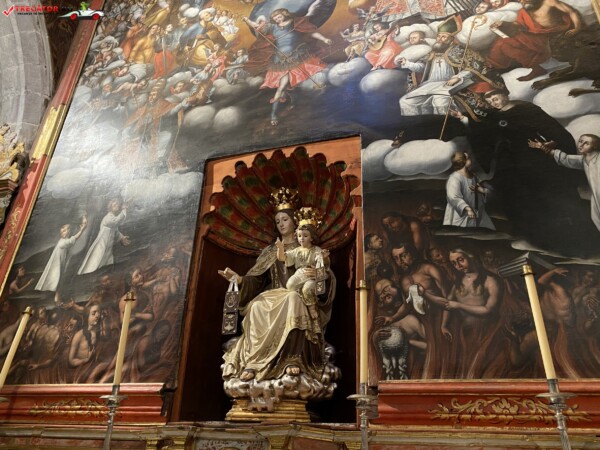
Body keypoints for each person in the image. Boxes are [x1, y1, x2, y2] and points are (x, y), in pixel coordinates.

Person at [220, 189, 336, 383]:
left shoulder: (306, 247)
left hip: (296, 294)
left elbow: (326, 273)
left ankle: (292, 358)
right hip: (273, 294)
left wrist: (319, 275)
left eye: (285, 219)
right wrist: (239, 280)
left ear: (294, 222)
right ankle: (254, 363)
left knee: (292, 299)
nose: (281, 224)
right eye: (277, 221)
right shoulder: (270, 251)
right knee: (256, 307)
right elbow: (257, 279)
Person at [421, 249, 504, 378]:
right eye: (454, 263)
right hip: (465, 333)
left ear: (471, 257)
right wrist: (443, 325)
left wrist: (459, 305)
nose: (458, 266)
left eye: (461, 260)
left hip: (487, 333)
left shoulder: (490, 281)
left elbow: (488, 310)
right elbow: (448, 304)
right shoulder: (458, 282)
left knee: (477, 371)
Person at [398, 16, 500, 117]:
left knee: (440, 102)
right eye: (438, 36)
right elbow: (421, 68)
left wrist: (458, 77)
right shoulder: (430, 53)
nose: (439, 39)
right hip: (430, 84)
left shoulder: (460, 51)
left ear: (451, 39)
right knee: (405, 101)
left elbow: (473, 67)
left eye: (444, 37)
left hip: (451, 84)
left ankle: (450, 123)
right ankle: (421, 123)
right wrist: (407, 63)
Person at [244, 8, 332, 126]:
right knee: (282, 87)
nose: (277, 19)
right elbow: (256, 26)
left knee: (305, 79)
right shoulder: (272, 27)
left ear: (284, 14)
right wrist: (247, 20)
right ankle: (273, 114)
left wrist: (324, 39)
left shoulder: (295, 23)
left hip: (298, 55)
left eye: (279, 16)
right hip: (281, 61)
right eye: (275, 18)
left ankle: (311, 102)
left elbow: (310, 32)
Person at [486, 0, 583, 81]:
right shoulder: (524, 10)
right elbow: (519, 25)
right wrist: (502, 23)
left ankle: (493, 66)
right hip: (533, 35)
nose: (522, 2)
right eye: (520, 0)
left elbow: (572, 12)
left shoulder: (549, 2)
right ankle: (492, 66)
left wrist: (577, 28)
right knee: (503, 42)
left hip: (548, 37)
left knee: (505, 42)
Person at [528, 134, 600, 232]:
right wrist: (541, 147)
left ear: (595, 146)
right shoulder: (584, 160)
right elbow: (565, 159)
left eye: (586, 143)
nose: (581, 145)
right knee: (596, 217)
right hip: (597, 197)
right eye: (580, 141)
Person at [276, 208, 330, 338]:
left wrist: (324, 258)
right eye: (300, 236)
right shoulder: (296, 250)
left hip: (311, 275)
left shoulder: (316, 250)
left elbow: (323, 265)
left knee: (307, 288)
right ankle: (301, 299)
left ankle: (313, 314)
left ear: (312, 238)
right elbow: (283, 258)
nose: (301, 239)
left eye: (305, 236)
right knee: (290, 285)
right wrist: (280, 248)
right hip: (300, 274)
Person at [443, 151, 495, 230]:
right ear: (462, 161)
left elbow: (485, 190)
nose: (470, 159)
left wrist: (482, 190)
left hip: (476, 212)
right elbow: (453, 197)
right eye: (468, 158)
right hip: (461, 215)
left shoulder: (474, 176)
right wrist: (468, 208)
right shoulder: (454, 178)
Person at [78, 199, 130, 275]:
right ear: (110, 207)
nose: (117, 206)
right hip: (102, 246)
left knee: (107, 264)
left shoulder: (112, 217)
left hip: (108, 247)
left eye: (117, 205)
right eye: (114, 204)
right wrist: (124, 210)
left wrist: (122, 237)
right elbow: (115, 221)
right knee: (96, 262)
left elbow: (115, 231)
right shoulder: (108, 217)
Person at [35, 218, 87, 293]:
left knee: (56, 281)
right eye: (62, 228)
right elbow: (72, 239)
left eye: (67, 229)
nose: (63, 230)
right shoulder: (62, 241)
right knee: (54, 280)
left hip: (58, 265)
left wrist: (81, 230)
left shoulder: (64, 241)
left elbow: (73, 239)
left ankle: (55, 294)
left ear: (70, 232)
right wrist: (81, 230)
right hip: (56, 265)